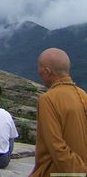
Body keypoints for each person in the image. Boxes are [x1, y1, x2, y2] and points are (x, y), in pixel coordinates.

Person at [31, 48, 87, 176]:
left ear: (47, 72)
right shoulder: (83, 95)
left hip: (61, 171)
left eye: (39, 68)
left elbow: (56, 146)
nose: (38, 72)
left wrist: (80, 171)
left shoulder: (48, 99)